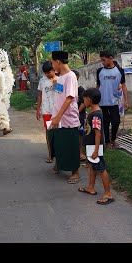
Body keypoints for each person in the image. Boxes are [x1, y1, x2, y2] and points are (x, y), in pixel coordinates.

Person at [47, 51, 81, 184]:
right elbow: (59, 94)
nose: (52, 66)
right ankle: (59, 164)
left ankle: (75, 172)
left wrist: (58, 116)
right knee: (56, 141)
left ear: (58, 62)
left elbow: (69, 98)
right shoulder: (60, 76)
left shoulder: (70, 76)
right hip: (57, 117)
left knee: (70, 145)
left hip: (67, 118)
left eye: (52, 62)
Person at [78, 88, 114, 205]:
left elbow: (98, 133)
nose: (83, 101)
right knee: (93, 166)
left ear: (89, 99)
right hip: (92, 146)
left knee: (101, 168)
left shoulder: (96, 115)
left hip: (95, 147)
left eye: (84, 99)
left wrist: (96, 150)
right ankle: (91, 187)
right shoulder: (94, 113)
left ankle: (108, 193)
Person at [97, 50, 129, 150]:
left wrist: (126, 100)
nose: (102, 62)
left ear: (111, 58)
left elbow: (123, 86)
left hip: (114, 102)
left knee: (116, 121)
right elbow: (97, 86)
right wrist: (95, 100)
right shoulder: (99, 71)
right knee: (105, 123)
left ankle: (113, 139)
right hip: (102, 102)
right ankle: (107, 142)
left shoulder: (120, 71)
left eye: (104, 60)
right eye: (101, 60)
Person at [36, 61, 57, 163]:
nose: (47, 75)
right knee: (49, 133)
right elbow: (40, 95)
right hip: (47, 111)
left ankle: (58, 153)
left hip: (57, 112)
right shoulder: (42, 81)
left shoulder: (59, 79)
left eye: (48, 72)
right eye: (45, 73)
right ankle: (50, 154)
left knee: (58, 132)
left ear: (53, 70)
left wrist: (56, 84)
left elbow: (63, 92)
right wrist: (38, 110)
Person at [72, 69, 87, 161]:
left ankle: (81, 152)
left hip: (79, 116)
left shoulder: (81, 90)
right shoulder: (66, 89)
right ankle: (72, 152)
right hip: (69, 117)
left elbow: (83, 103)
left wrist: (76, 113)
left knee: (80, 134)